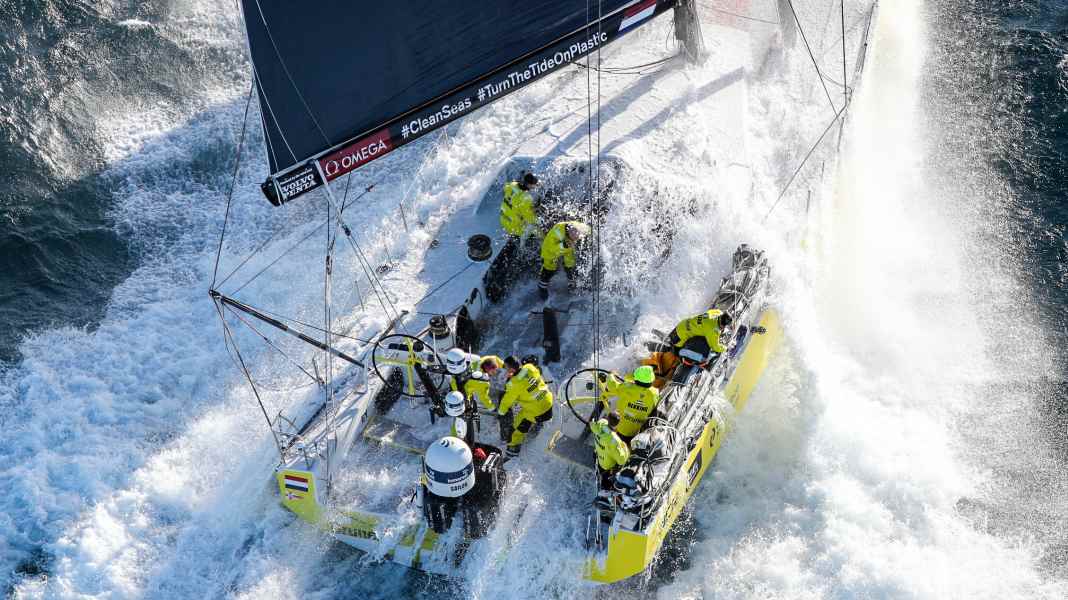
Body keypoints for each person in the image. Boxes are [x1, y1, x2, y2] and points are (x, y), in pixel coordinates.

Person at [496, 356, 553, 460]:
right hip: (548, 403)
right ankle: (536, 427)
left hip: (538, 412)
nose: (505, 371)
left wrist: (500, 413)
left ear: (512, 369)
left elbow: (506, 401)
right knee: (525, 410)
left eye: (506, 368)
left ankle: (511, 456)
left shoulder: (513, 384)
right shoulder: (530, 367)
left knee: (514, 431)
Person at [602, 365, 660, 444]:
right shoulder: (655, 393)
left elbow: (612, 386)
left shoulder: (627, 388)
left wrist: (611, 375)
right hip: (636, 431)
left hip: (620, 427)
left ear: (636, 379)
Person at [538, 220, 590, 300]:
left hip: (567, 248)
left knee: (570, 266)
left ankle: (572, 284)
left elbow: (588, 229)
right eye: (575, 239)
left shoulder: (579, 227)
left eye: (577, 238)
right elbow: (551, 248)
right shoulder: (557, 233)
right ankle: (542, 287)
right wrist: (563, 246)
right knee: (549, 269)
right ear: (569, 234)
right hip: (550, 250)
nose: (576, 240)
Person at [666, 309, 733, 361]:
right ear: (722, 325)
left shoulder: (717, 313)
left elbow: (715, 313)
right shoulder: (713, 330)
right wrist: (726, 348)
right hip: (679, 340)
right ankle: (678, 352)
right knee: (681, 352)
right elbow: (715, 347)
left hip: (682, 324)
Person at [590, 413, 629, 492]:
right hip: (607, 467)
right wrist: (624, 446)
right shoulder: (614, 440)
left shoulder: (601, 423)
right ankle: (606, 490)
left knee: (600, 473)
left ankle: (600, 482)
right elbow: (622, 460)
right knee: (606, 481)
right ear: (618, 424)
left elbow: (592, 425)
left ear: (607, 419)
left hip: (598, 458)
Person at [501, 172, 539, 239]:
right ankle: (522, 247)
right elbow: (531, 220)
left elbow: (505, 188)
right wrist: (535, 210)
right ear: (529, 185)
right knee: (537, 229)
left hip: (503, 219)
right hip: (513, 227)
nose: (535, 185)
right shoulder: (526, 199)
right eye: (534, 184)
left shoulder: (512, 184)